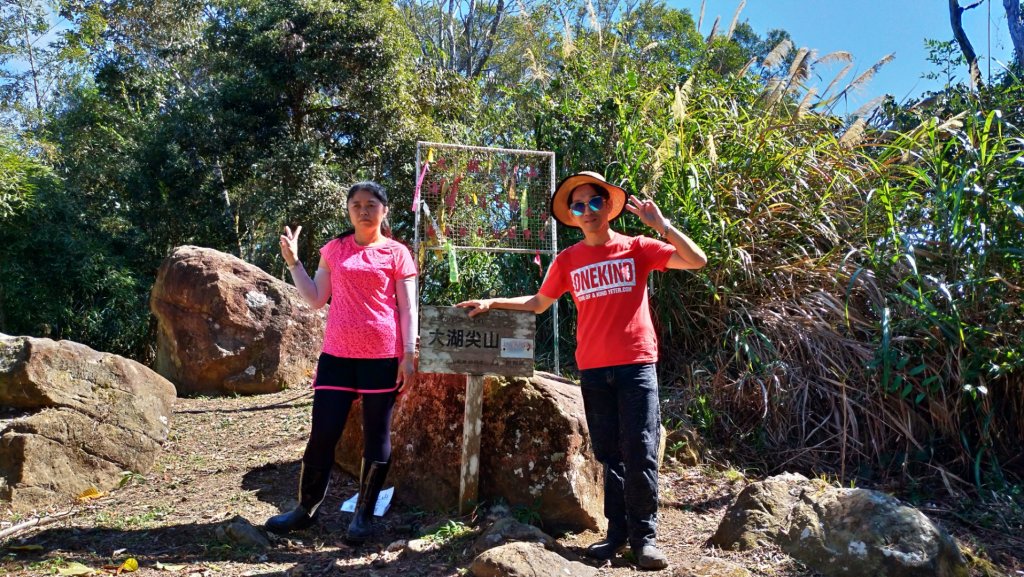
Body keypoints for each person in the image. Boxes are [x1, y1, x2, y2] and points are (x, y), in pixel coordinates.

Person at [456, 171, 706, 570]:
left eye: (594, 202)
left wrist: (663, 226)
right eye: (578, 206)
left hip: (636, 365)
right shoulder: (568, 259)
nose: (587, 211)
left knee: (640, 451)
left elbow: (696, 260)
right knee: (610, 455)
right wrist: (493, 302)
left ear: (608, 206)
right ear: (571, 215)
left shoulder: (637, 247)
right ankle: (617, 535)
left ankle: (646, 538)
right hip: (593, 369)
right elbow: (539, 302)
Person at [266, 181, 418, 543]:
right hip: (336, 355)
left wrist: (409, 354)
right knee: (323, 434)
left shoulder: (397, 253)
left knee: (377, 434)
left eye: (370, 204)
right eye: (356, 205)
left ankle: (363, 516)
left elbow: (409, 307)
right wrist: (294, 262)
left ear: (384, 210)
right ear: (348, 210)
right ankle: (305, 510)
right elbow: (316, 298)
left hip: (382, 355)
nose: (363, 210)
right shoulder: (334, 250)